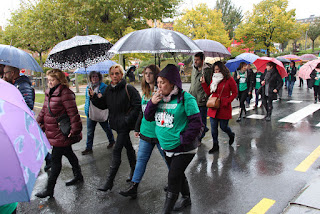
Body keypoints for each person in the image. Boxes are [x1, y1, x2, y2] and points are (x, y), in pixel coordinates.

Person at [144, 64, 202, 213]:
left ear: (172, 83)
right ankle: (186, 198)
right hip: (166, 147)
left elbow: (197, 124)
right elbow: (148, 117)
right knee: (178, 173)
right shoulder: (158, 98)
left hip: (183, 148)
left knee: (173, 177)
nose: (159, 86)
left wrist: (183, 139)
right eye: (158, 83)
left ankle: (166, 210)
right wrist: (152, 103)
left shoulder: (186, 99)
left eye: (162, 82)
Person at [90, 64, 141, 192]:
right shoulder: (108, 89)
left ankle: (109, 181)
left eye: (117, 73)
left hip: (124, 125)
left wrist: (127, 119)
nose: (114, 76)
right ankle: (134, 173)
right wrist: (94, 97)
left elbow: (137, 106)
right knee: (128, 147)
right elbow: (103, 105)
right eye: (112, 73)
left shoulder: (128, 88)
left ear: (121, 74)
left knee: (116, 150)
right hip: (115, 124)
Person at [119, 64, 168, 199]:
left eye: (150, 73)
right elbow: (142, 112)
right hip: (146, 132)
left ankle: (176, 184)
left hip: (160, 133)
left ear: (156, 75)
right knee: (141, 159)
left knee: (168, 160)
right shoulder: (145, 93)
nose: (147, 75)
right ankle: (134, 186)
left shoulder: (162, 92)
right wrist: (137, 127)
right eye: (145, 73)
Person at [35, 69, 83, 198]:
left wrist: (75, 131)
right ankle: (78, 175)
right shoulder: (48, 93)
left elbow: (73, 114)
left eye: (52, 80)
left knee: (55, 160)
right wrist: (36, 123)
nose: (49, 83)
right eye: (48, 80)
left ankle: (49, 189)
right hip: (54, 131)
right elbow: (44, 110)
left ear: (60, 80)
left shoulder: (66, 93)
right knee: (69, 153)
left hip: (62, 132)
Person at [201, 61, 238, 153]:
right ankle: (215, 145)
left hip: (224, 107)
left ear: (222, 69)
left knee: (223, 127)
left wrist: (227, 101)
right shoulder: (214, 79)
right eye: (215, 70)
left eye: (218, 69)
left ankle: (231, 134)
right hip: (214, 106)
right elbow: (209, 92)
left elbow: (235, 92)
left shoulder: (229, 79)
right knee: (213, 128)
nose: (216, 72)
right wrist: (204, 83)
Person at [82, 71, 115, 155]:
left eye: (96, 76)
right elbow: (87, 99)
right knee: (90, 131)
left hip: (100, 112)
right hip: (91, 112)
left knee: (106, 128)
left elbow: (107, 99)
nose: (94, 78)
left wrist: (100, 96)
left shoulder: (104, 87)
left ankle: (111, 141)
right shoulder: (88, 87)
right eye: (93, 76)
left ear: (99, 77)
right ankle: (88, 148)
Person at [189, 52, 213, 141]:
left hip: (201, 99)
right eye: (194, 60)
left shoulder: (207, 70)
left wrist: (205, 95)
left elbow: (210, 85)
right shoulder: (194, 69)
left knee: (202, 120)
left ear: (202, 60)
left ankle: (200, 137)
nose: (195, 61)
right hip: (193, 98)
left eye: (197, 60)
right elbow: (193, 83)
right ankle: (203, 130)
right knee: (194, 119)